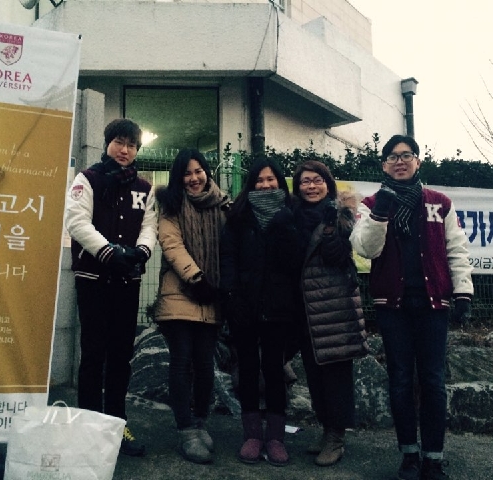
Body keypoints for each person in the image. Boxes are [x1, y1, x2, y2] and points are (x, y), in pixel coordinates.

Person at [350, 135, 474, 480]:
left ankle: (433, 458)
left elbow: (457, 249)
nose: (400, 161)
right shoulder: (371, 203)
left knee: (433, 380)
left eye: (407, 155)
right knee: (401, 379)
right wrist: (381, 213)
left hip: (433, 303)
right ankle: (409, 454)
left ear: (418, 161)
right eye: (392, 157)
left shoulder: (439, 203)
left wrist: (463, 292)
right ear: (383, 165)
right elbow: (366, 250)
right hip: (393, 305)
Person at [64, 118, 157, 457]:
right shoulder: (87, 179)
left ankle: (117, 426)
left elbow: (149, 226)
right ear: (107, 143)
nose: (124, 150)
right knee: (93, 354)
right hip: (93, 280)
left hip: (127, 282)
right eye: (119, 142)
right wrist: (108, 252)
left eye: (131, 145)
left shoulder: (144, 187)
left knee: (121, 356)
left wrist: (141, 252)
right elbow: (76, 222)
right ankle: (88, 428)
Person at [219, 157, 301, 467]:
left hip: (279, 308)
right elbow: (228, 258)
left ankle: (276, 438)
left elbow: (294, 262)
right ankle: (252, 435)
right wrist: (231, 296)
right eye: (259, 180)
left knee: (275, 370)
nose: (266, 185)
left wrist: (285, 226)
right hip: (245, 306)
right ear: (251, 184)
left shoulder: (291, 213)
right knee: (248, 369)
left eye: (271, 179)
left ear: (280, 181)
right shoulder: (238, 216)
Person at [290, 160, 369, 467]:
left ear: (328, 183)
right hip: (305, 308)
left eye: (317, 180)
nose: (311, 186)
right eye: (305, 181)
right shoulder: (292, 215)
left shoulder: (342, 214)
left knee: (336, 375)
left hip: (333, 307)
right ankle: (326, 430)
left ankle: (336, 437)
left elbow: (337, 256)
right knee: (314, 374)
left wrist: (329, 227)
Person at [154, 148, 230, 464]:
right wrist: (196, 278)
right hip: (179, 294)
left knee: (205, 365)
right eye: (187, 173)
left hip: (212, 296)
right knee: (182, 362)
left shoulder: (223, 206)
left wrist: (218, 285)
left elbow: (231, 245)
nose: (194, 178)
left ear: (207, 173)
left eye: (198, 171)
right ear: (178, 177)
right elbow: (171, 243)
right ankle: (186, 430)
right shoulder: (170, 205)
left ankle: (200, 422)